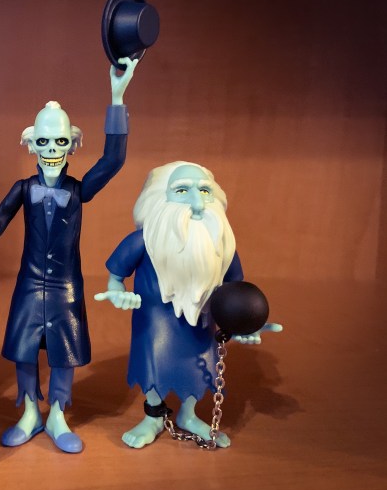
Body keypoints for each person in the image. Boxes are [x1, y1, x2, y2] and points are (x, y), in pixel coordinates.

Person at [0, 58, 138, 453]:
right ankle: (29, 413)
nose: (52, 150)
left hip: (65, 286)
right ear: (30, 143)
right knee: (23, 349)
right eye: (43, 142)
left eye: (60, 142)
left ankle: (57, 415)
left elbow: (113, 161)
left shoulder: (78, 189)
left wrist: (117, 98)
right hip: (28, 284)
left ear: (72, 143)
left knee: (63, 353)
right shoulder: (23, 188)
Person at [96, 161, 281, 448]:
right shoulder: (143, 241)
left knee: (199, 366)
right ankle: (153, 416)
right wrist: (117, 292)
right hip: (154, 320)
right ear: (160, 198)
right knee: (154, 365)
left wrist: (242, 325)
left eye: (204, 191)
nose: (197, 202)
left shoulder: (221, 245)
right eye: (182, 190)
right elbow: (116, 277)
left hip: (202, 322)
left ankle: (188, 414)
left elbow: (234, 292)